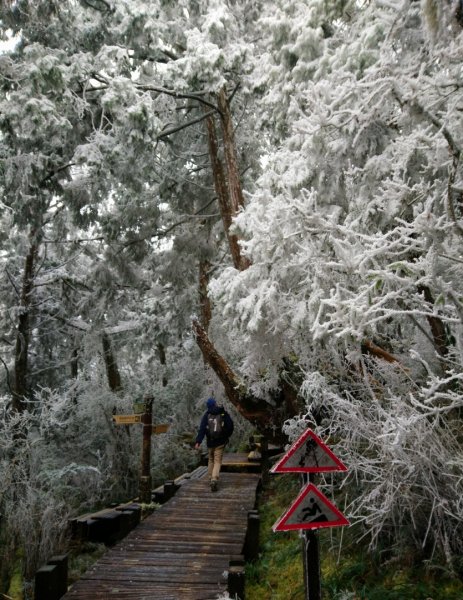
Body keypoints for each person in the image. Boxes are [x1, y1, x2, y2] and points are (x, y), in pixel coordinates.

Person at [194, 397, 234, 492]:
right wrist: (226, 436)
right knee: (217, 461)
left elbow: (202, 430)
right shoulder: (222, 412)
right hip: (220, 442)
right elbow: (230, 426)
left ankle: (210, 477)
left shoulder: (206, 415)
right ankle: (214, 479)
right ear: (215, 404)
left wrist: (198, 442)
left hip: (210, 442)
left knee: (211, 460)